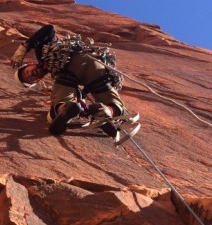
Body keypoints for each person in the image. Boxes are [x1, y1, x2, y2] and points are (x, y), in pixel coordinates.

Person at [11, 24, 139, 143]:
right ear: (37, 81)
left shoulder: (42, 54)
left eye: (26, 72)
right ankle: (105, 111)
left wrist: (24, 47)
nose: (30, 75)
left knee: (59, 101)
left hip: (68, 68)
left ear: (30, 64)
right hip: (96, 67)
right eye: (29, 79)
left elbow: (49, 29)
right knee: (112, 101)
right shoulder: (53, 70)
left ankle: (65, 109)